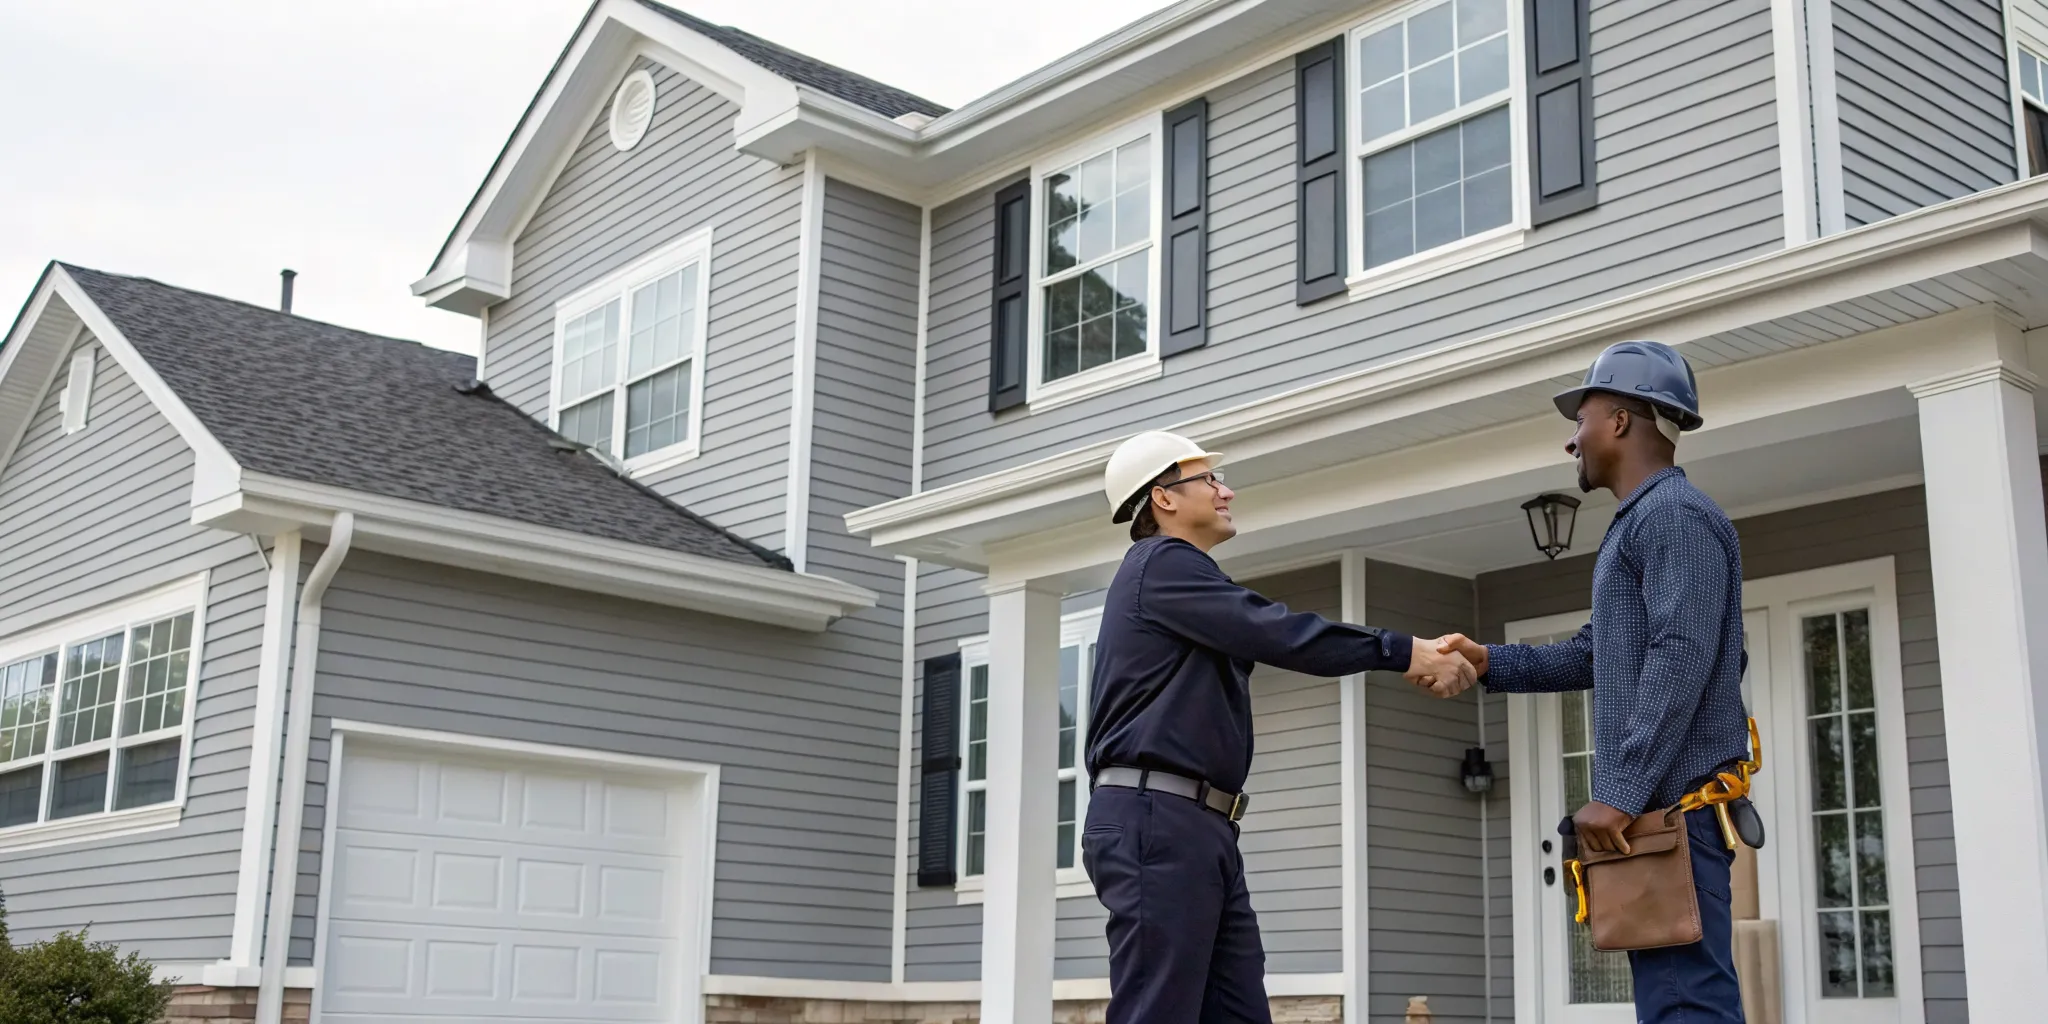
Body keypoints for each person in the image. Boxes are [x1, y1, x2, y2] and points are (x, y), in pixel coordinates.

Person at [1082, 430, 1477, 1024]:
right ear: (1163, 498)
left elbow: (1262, 629)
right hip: (1157, 823)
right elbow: (1277, 632)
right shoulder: (1161, 566)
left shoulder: (1183, 580)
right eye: (1209, 480)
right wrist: (1405, 652)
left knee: (1238, 1012)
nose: (1226, 489)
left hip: (1196, 827)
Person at [1435, 340, 1750, 1024]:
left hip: (1674, 817)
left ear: (1617, 422)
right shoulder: (1645, 522)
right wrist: (1491, 661)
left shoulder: (1674, 518)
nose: (1571, 441)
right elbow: (1595, 655)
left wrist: (1620, 792)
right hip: (1658, 819)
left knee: (1686, 1005)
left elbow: (1680, 654)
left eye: (1580, 418)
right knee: (1672, 1002)